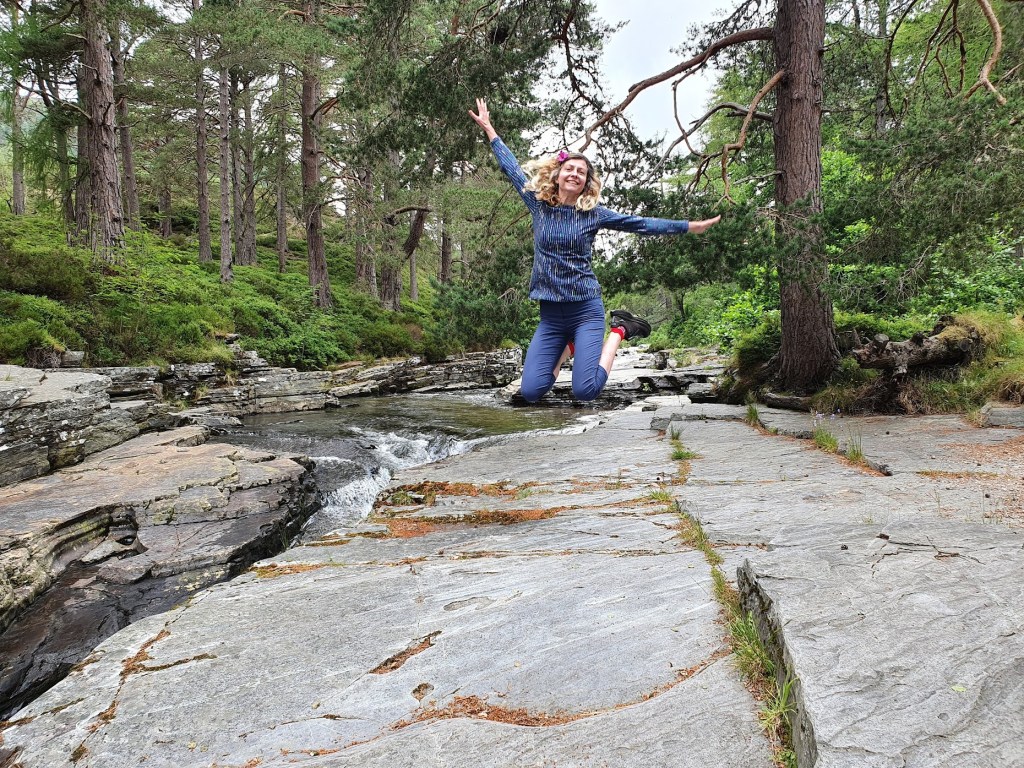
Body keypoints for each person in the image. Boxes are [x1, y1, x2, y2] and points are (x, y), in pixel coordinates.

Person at [469, 98, 721, 403]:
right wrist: (489, 129)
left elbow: (639, 223)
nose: (575, 174)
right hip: (550, 315)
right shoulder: (539, 206)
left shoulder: (593, 214)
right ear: (558, 174)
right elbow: (511, 168)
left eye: (581, 172)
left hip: (585, 310)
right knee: (532, 391)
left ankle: (620, 330)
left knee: (585, 391)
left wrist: (686, 226)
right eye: (570, 169)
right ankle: (568, 347)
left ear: (587, 182)